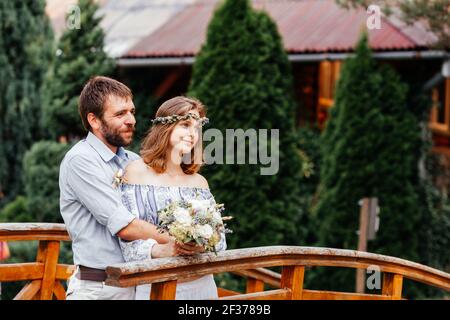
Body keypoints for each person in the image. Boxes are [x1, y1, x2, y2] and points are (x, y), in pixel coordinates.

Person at [59, 77, 197, 300]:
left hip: (137, 285)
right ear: (94, 120)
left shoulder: (133, 161)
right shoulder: (80, 160)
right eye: (120, 114)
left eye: (131, 111)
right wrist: (180, 238)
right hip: (98, 289)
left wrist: (196, 230)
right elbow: (125, 225)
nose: (131, 119)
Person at [119, 96, 227, 300]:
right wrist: (161, 250)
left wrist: (202, 243)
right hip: (154, 286)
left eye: (196, 128)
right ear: (165, 128)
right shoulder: (136, 172)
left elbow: (221, 241)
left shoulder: (199, 182)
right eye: (185, 125)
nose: (192, 134)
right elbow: (125, 241)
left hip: (201, 287)